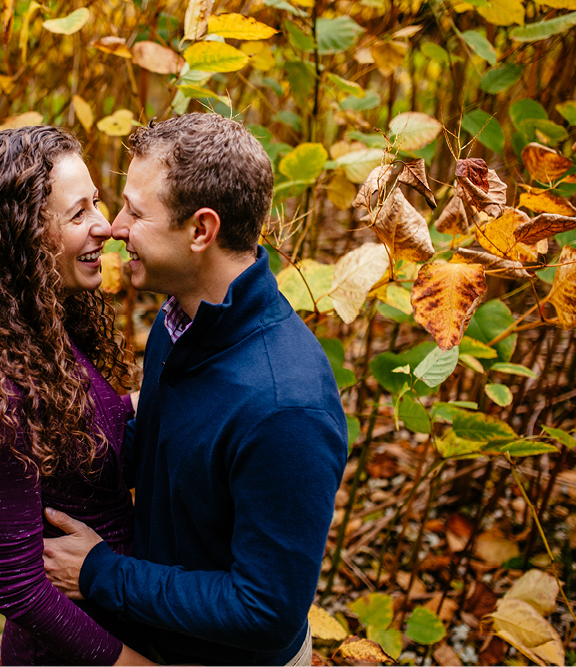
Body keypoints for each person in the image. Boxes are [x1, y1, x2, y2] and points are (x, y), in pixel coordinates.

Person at [42, 113, 348, 665]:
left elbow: (265, 612)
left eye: (136, 212)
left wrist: (101, 573)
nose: (114, 227)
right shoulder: (180, 324)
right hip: (155, 637)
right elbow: (166, 459)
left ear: (201, 231)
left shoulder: (285, 408)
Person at [0, 126, 153, 666]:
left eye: (96, 203)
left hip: (120, 611)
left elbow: (97, 435)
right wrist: (132, 665)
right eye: (78, 214)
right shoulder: (0, 387)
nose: (105, 226)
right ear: (24, 237)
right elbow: (16, 586)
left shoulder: (51, 336)